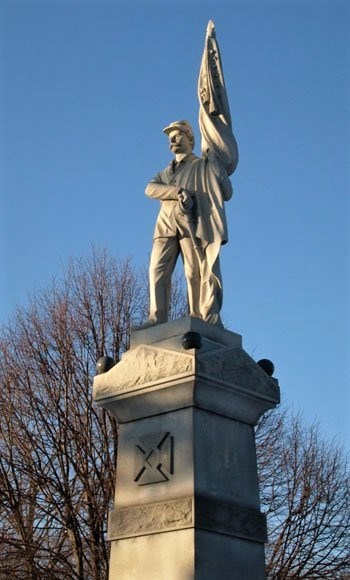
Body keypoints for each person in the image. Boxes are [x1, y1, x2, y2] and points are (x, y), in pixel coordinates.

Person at [145, 119, 233, 327]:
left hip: (191, 224)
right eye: (170, 138)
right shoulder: (165, 172)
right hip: (165, 225)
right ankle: (156, 318)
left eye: (177, 136)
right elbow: (150, 189)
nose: (173, 140)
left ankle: (197, 315)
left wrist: (216, 165)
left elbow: (226, 192)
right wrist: (177, 192)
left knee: (194, 271)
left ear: (191, 139)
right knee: (157, 270)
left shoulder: (201, 165)